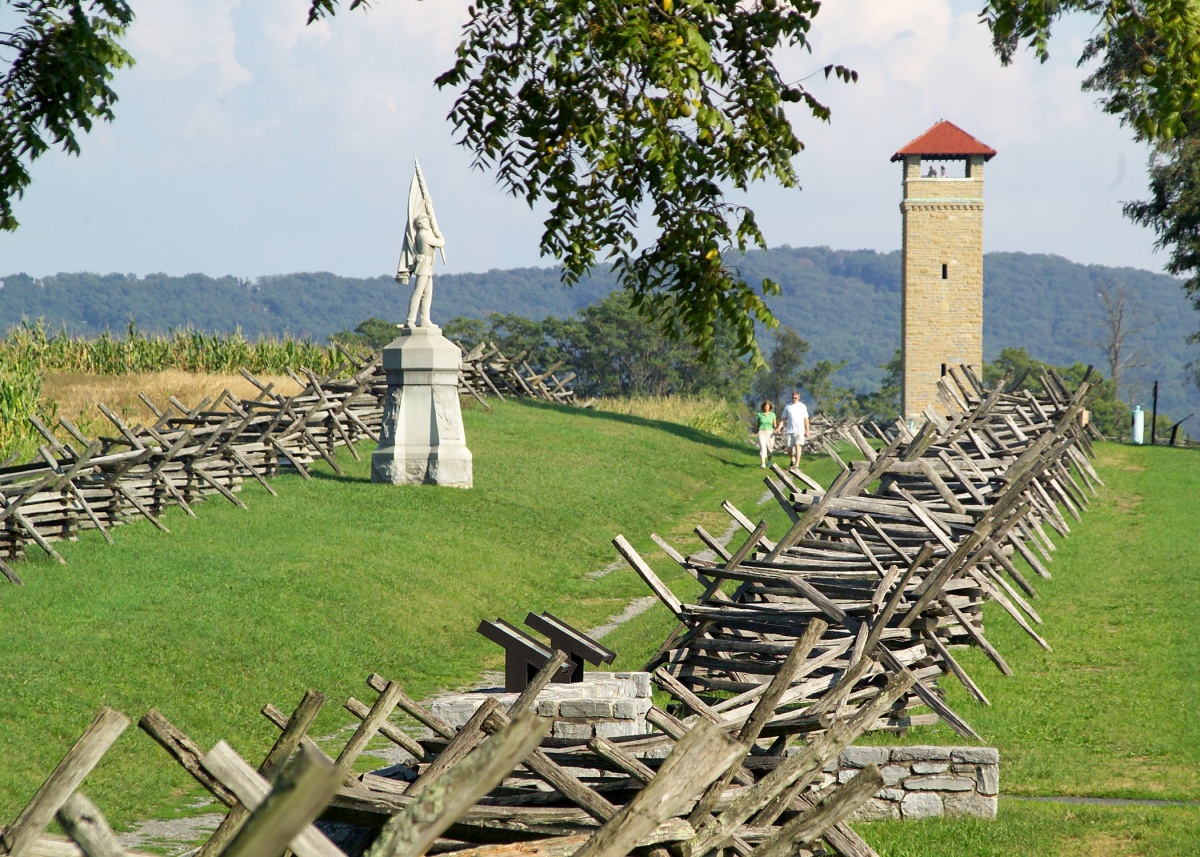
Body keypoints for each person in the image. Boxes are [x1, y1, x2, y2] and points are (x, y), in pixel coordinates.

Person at [401, 213, 446, 328]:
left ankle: (425, 319)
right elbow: (441, 243)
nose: (428, 223)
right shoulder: (423, 235)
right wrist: (439, 235)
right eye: (425, 221)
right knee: (418, 292)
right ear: (420, 224)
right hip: (424, 265)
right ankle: (410, 320)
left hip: (428, 265)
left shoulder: (426, 234)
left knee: (427, 294)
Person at [781, 391, 810, 467]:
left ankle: (797, 464)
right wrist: (779, 427)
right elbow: (783, 418)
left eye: (796, 398)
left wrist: (807, 430)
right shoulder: (788, 407)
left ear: (799, 398)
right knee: (789, 449)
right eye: (793, 398)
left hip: (799, 430)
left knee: (798, 446)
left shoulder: (802, 406)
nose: (794, 399)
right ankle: (793, 458)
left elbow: (806, 419)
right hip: (790, 430)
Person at [754, 401, 777, 468]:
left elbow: (775, 424)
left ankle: (769, 461)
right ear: (763, 407)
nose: (766, 408)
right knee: (762, 447)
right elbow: (758, 424)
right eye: (765, 406)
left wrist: (777, 429)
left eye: (767, 406)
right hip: (761, 432)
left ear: (770, 407)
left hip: (770, 432)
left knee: (770, 448)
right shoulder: (760, 414)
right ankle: (763, 463)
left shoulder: (773, 415)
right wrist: (757, 430)